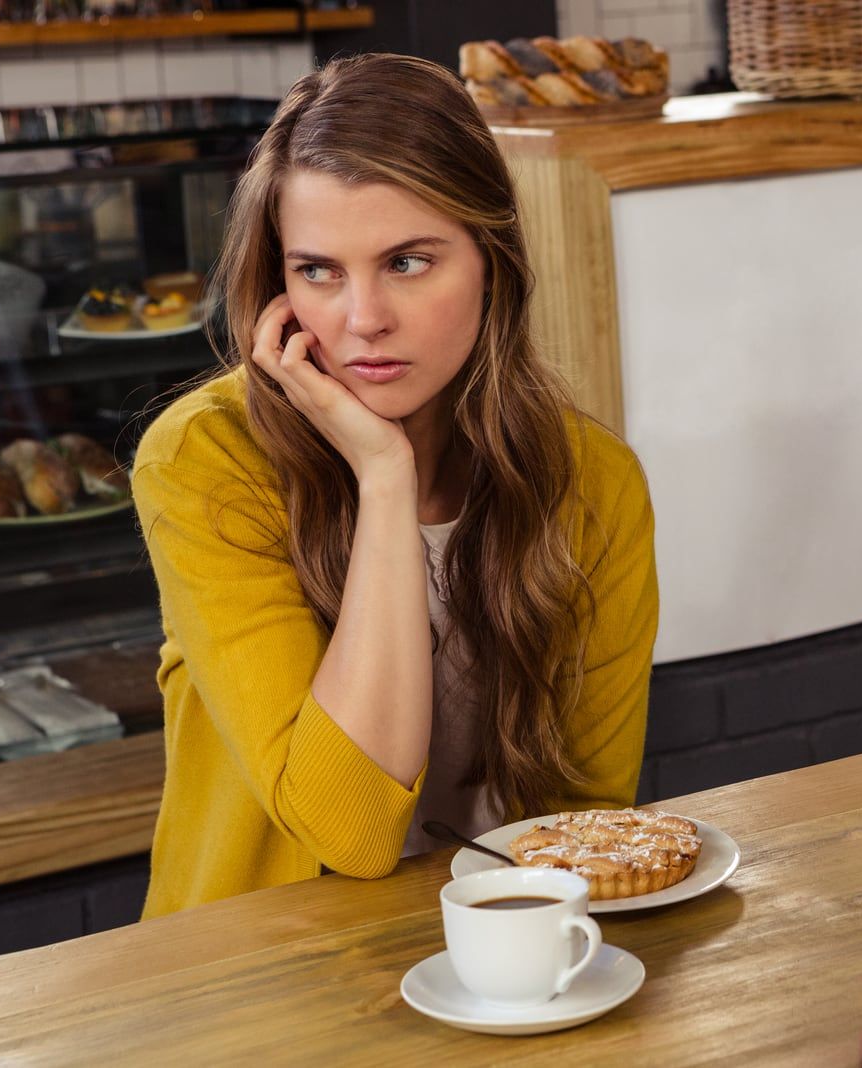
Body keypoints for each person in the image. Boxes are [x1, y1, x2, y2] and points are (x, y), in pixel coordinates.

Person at [131, 54, 658, 919]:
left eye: (407, 262)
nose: (363, 319)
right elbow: (352, 831)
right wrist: (384, 476)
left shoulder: (594, 483)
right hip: (255, 975)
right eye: (318, 271)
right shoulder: (205, 462)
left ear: (491, 260)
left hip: (506, 951)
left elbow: (588, 820)